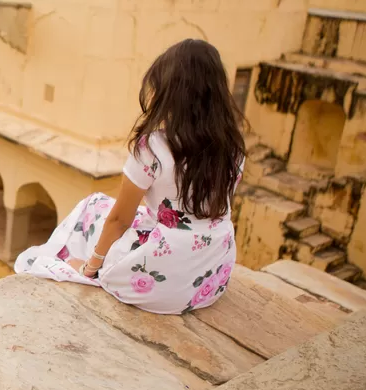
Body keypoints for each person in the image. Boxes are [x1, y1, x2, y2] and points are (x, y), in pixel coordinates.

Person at [15, 39, 246, 315]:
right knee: (119, 213)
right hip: (211, 277)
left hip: (163, 282)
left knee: (94, 207)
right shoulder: (234, 147)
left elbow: (119, 220)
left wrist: (92, 268)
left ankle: (87, 264)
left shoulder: (154, 147)